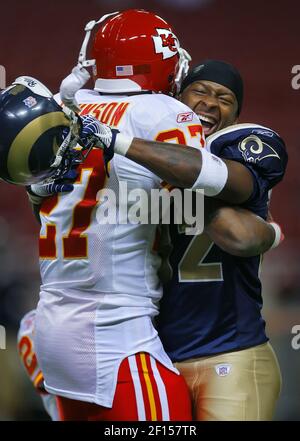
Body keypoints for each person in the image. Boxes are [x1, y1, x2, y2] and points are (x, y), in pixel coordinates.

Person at [92, 60, 287, 420]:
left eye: (224, 97)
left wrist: (171, 177)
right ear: (176, 98)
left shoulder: (236, 150)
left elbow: (239, 236)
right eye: (200, 91)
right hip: (157, 354)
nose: (211, 102)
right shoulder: (148, 152)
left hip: (230, 351)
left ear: (236, 114)